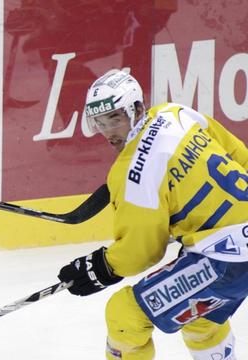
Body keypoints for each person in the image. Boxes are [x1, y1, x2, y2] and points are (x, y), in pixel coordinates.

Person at [56, 68, 248, 359]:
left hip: (226, 260)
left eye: (115, 118)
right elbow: (239, 154)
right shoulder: (176, 113)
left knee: (124, 317)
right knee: (202, 319)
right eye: (100, 122)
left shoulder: (132, 173)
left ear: (135, 108)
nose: (108, 131)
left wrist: (101, 267)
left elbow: (141, 252)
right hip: (231, 249)